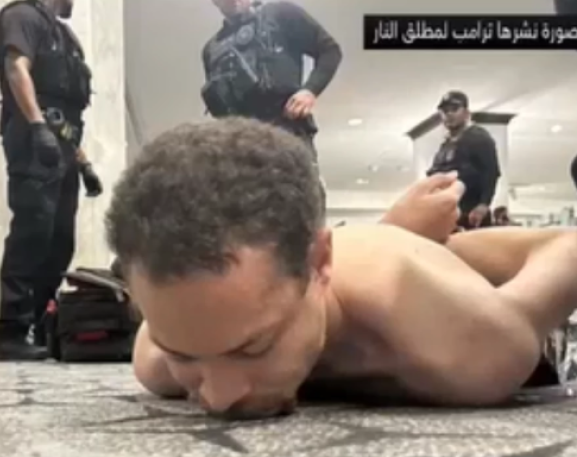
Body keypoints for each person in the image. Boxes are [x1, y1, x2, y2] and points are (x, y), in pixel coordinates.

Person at [106, 118, 577, 419]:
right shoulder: (157, 359)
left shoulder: (464, 347)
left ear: (319, 264)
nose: (217, 397)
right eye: (185, 355)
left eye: (254, 347)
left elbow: (569, 247)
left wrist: (393, 237)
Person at [0, 0, 103, 360]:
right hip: (32, 137)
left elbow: (66, 112)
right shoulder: (21, 16)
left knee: (60, 240)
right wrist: (37, 126)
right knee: (33, 231)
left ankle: (41, 326)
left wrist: (83, 163)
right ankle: (10, 331)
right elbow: (16, 68)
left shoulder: (64, 35)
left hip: (62, 144)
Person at [201, 0, 341, 156]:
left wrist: (310, 90)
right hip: (242, 146)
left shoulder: (280, 14)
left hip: (287, 131)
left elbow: (330, 50)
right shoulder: (212, 49)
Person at [427, 91, 501, 230]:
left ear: (466, 113)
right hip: (448, 213)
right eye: (445, 111)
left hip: (472, 213)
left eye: (454, 109)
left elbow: (491, 172)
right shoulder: (446, 145)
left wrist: (483, 204)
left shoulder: (478, 137)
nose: (449, 114)